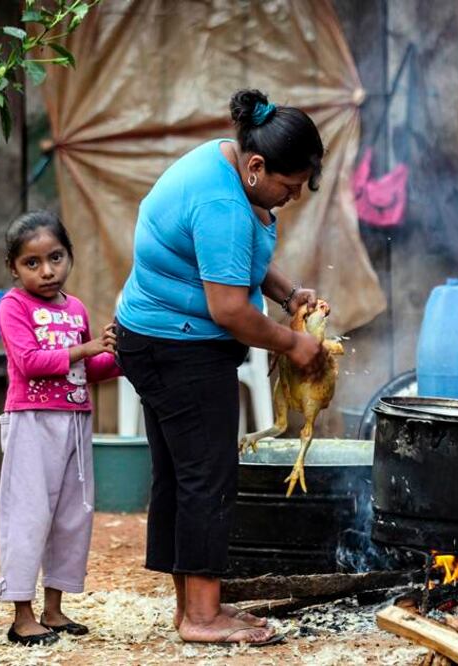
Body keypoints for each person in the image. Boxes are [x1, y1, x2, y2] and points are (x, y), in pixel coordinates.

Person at [114, 89, 326, 646]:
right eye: (288, 185)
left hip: (152, 338)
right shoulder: (223, 205)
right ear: (257, 166)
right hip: (177, 349)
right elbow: (228, 307)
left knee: (183, 474)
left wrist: (286, 293)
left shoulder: (221, 160)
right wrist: (292, 345)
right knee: (207, 476)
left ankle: (192, 608)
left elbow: (235, 262)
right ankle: (204, 619)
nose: (292, 196)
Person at [0, 211, 120, 646]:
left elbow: (89, 369)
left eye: (56, 257)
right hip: (32, 421)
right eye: (32, 263)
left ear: (68, 256)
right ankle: (22, 613)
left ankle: (54, 608)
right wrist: (85, 348)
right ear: (14, 267)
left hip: (76, 421)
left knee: (72, 516)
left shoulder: (77, 308)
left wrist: (121, 354)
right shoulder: (13, 306)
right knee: (29, 516)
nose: (47, 271)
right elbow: (29, 362)